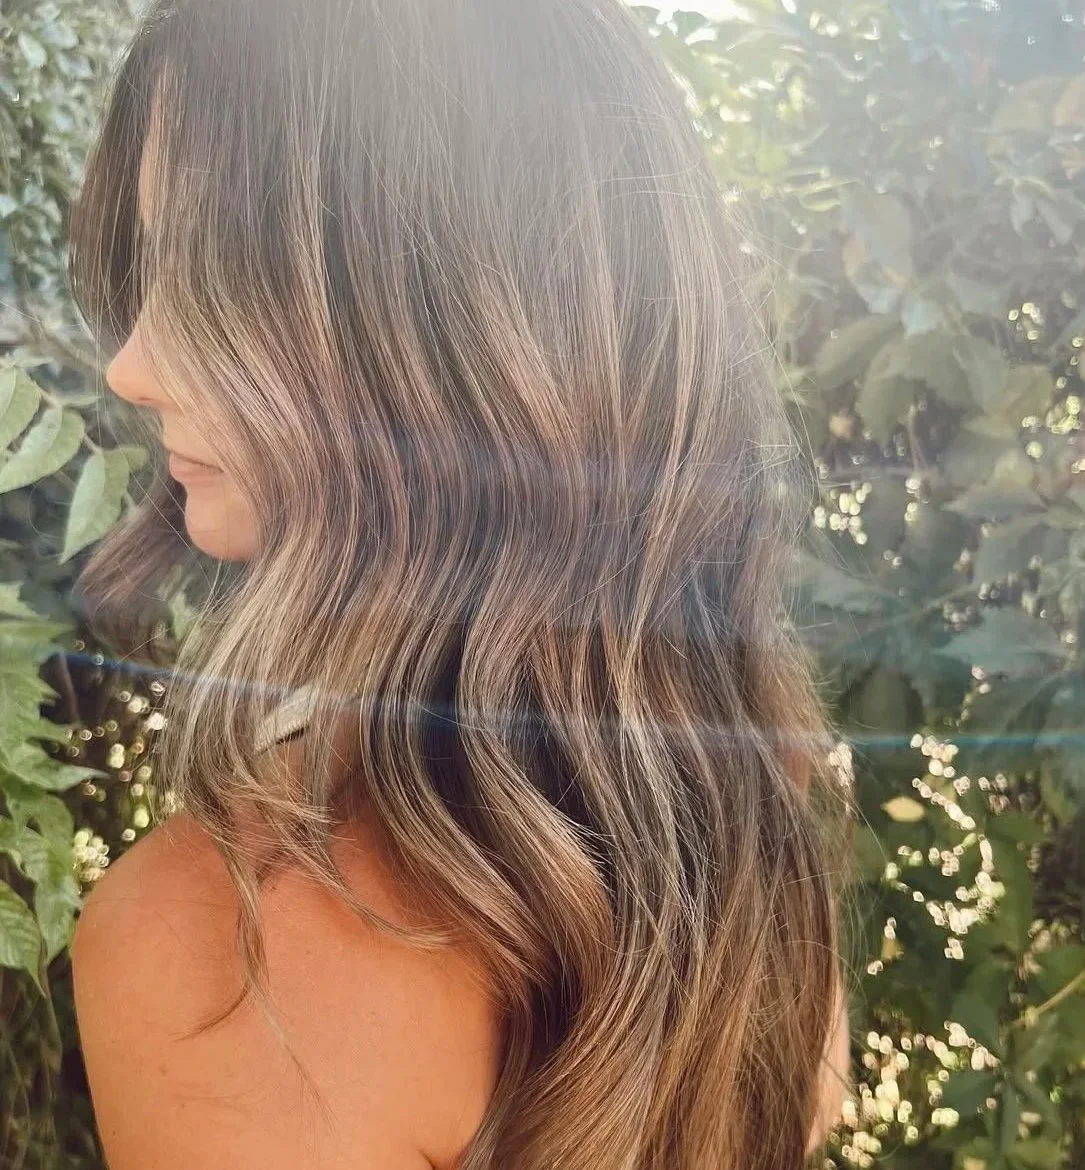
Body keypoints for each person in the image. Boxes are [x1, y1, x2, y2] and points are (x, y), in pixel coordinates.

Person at [67, 1, 853, 1167]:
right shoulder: (744, 821)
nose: (133, 365)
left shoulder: (224, 955)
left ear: (436, 341)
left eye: (207, 273)